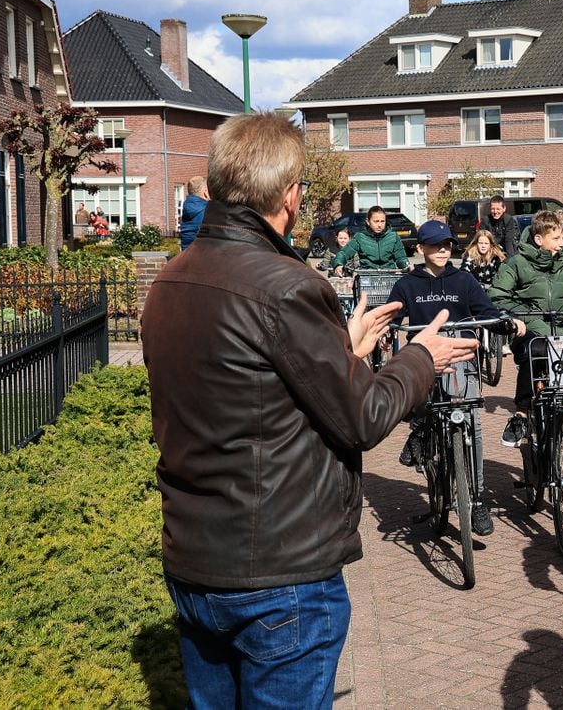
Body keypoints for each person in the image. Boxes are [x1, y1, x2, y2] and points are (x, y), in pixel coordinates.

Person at [141, 111, 477, 708]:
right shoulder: (286, 284)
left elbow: (240, 382)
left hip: (195, 560)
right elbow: (365, 415)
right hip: (279, 573)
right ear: (292, 196)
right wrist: (421, 358)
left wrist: (340, 348)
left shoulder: (173, 280)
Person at [387, 220, 525, 536]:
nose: (442, 250)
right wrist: (386, 328)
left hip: (462, 359)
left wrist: (504, 322)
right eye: (435, 245)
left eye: (447, 244)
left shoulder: (463, 280)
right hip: (425, 358)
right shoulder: (408, 284)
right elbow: (393, 315)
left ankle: (476, 501)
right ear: (421, 248)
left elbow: (487, 310)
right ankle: (420, 430)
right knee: (415, 395)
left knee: (473, 425)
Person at [488, 211, 563, 452]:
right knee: (537, 349)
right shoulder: (516, 264)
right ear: (538, 240)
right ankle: (521, 415)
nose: (562, 242)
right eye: (555, 238)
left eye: (562, 237)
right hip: (530, 329)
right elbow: (497, 297)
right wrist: (514, 317)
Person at [331, 205, 411, 273]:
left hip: (389, 276)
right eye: (376, 221)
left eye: (382, 221)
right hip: (367, 277)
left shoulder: (393, 237)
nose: (379, 225)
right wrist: (338, 264)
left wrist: (407, 266)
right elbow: (344, 253)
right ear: (368, 222)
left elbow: (401, 258)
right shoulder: (360, 237)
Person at [178, 175, 209, 251]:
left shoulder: (187, 208)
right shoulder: (207, 211)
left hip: (186, 254)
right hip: (203, 254)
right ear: (205, 193)